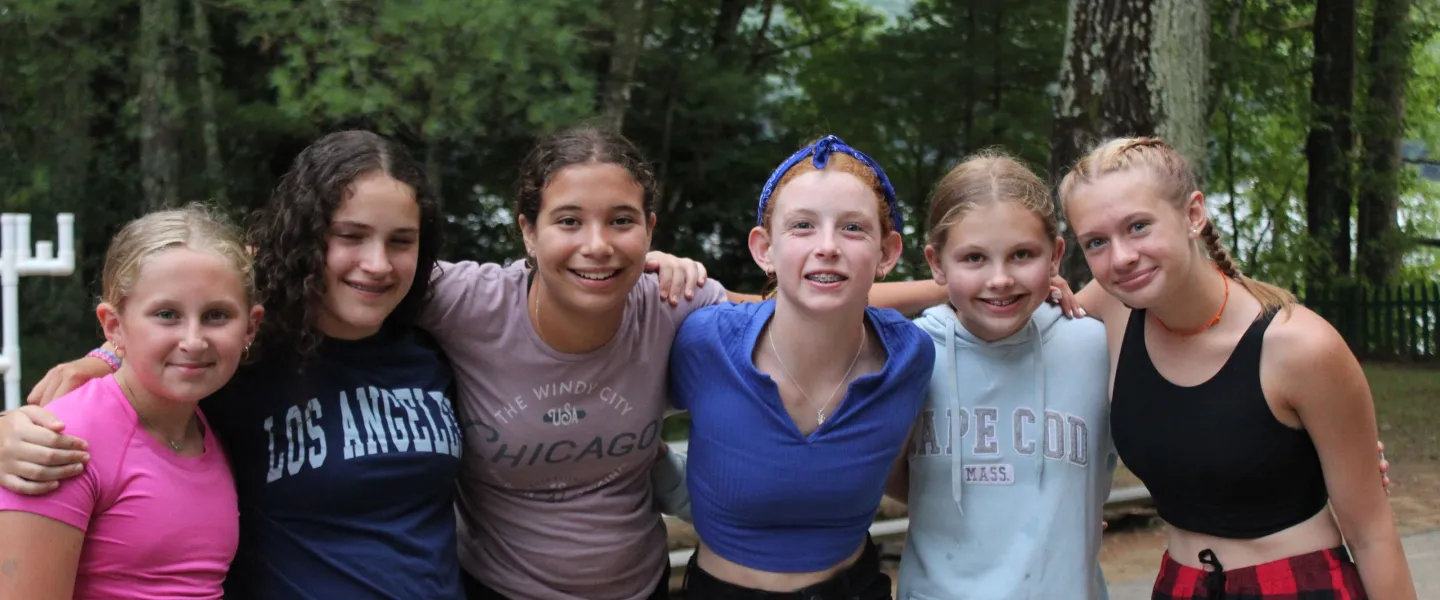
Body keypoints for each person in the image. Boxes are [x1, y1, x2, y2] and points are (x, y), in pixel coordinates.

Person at [0, 130, 469, 599]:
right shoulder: (243, 360)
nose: (377, 263)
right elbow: (162, 319)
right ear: (307, 237)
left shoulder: (440, 342)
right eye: (351, 235)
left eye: (401, 241)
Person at [1061, 136, 1416, 599]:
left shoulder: (1298, 346)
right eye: (1096, 242)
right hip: (1179, 586)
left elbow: (1373, 536)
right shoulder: (1110, 310)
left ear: (1193, 214)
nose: (1122, 257)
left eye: (1139, 226)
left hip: (1295, 587)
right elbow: (1002, 305)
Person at [668, 135, 933, 599]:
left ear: (888, 253)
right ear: (763, 249)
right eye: (803, 226)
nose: (827, 246)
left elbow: (897, 468)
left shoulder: (911, 356)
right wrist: (645, 272)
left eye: (853, 228)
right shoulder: (704, 341)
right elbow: (616, 418)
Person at [0, 206, 262, 599]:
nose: (193, 341)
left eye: (216, 315)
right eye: (167, 314)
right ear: (114, 326)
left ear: (251, 327)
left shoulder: (211, 424)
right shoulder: (57, 444)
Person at [887, 151, 1115, 599]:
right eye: (973, 258)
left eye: (1022, 255)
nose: (1000, 279)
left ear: (1056, 255)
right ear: (936, 263)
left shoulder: (1096, 346)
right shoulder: (908, 355)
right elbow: (895, 473)